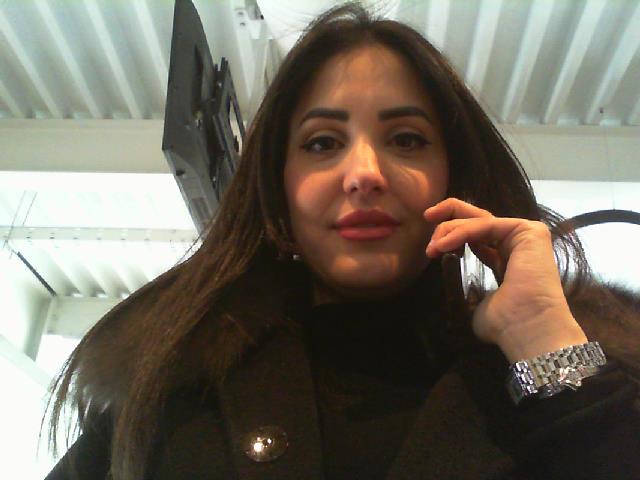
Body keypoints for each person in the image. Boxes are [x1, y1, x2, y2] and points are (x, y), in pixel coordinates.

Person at [43, 3, 640, 479]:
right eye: (322, 143)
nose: (364, 174)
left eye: (406, 139)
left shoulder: (544, 381)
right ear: (279, 194)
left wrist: (543, 336)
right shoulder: (169, 387)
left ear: (453, 182)